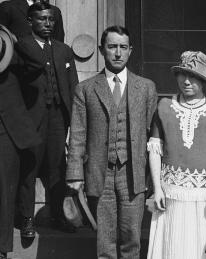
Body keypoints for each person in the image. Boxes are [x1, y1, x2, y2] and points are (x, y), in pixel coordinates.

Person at [66, 25, 157, 258]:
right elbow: (77, 133)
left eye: (123, 47)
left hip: (134, 174)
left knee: (131, 239)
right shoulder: (85, 89)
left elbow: (154, 136)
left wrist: (155, 176)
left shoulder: (146, 88)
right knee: (105, 241)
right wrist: (75, 173)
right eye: (112, 47)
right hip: (100, 172)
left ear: (130, 51)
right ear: (101, 50)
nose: (118, 53)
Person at [147, 51, 206, 259]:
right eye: (182, 75)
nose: (186, 81)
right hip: (169, 193)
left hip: (202, 195)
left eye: (194, 77)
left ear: (204, 81)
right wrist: (157, 189)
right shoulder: (164, 106)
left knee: (197, 245)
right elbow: (154, 150)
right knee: (170, 244)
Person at [13, 1, 78, 238]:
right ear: (30, 21)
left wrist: (75, 120)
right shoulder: (21, 47)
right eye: (42, 19)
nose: (48, 23)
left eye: (51, 19)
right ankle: (26, 219)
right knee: (29, 168)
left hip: (58, 118)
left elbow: (73, 87)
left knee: (56, 169)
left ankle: (57, 215)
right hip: (31, 119)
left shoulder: (63, 50)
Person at [0, 24, 41, 259]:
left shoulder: (15, 66)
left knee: (4, 193)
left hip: (7, 135)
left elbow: (37, 63)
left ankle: (1, 249)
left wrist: (17, 42)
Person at [0, 0, 65, 42]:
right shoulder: (8, 7)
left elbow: (59, 40)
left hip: (46, 61)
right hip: (18, 61)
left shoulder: (55, 11)